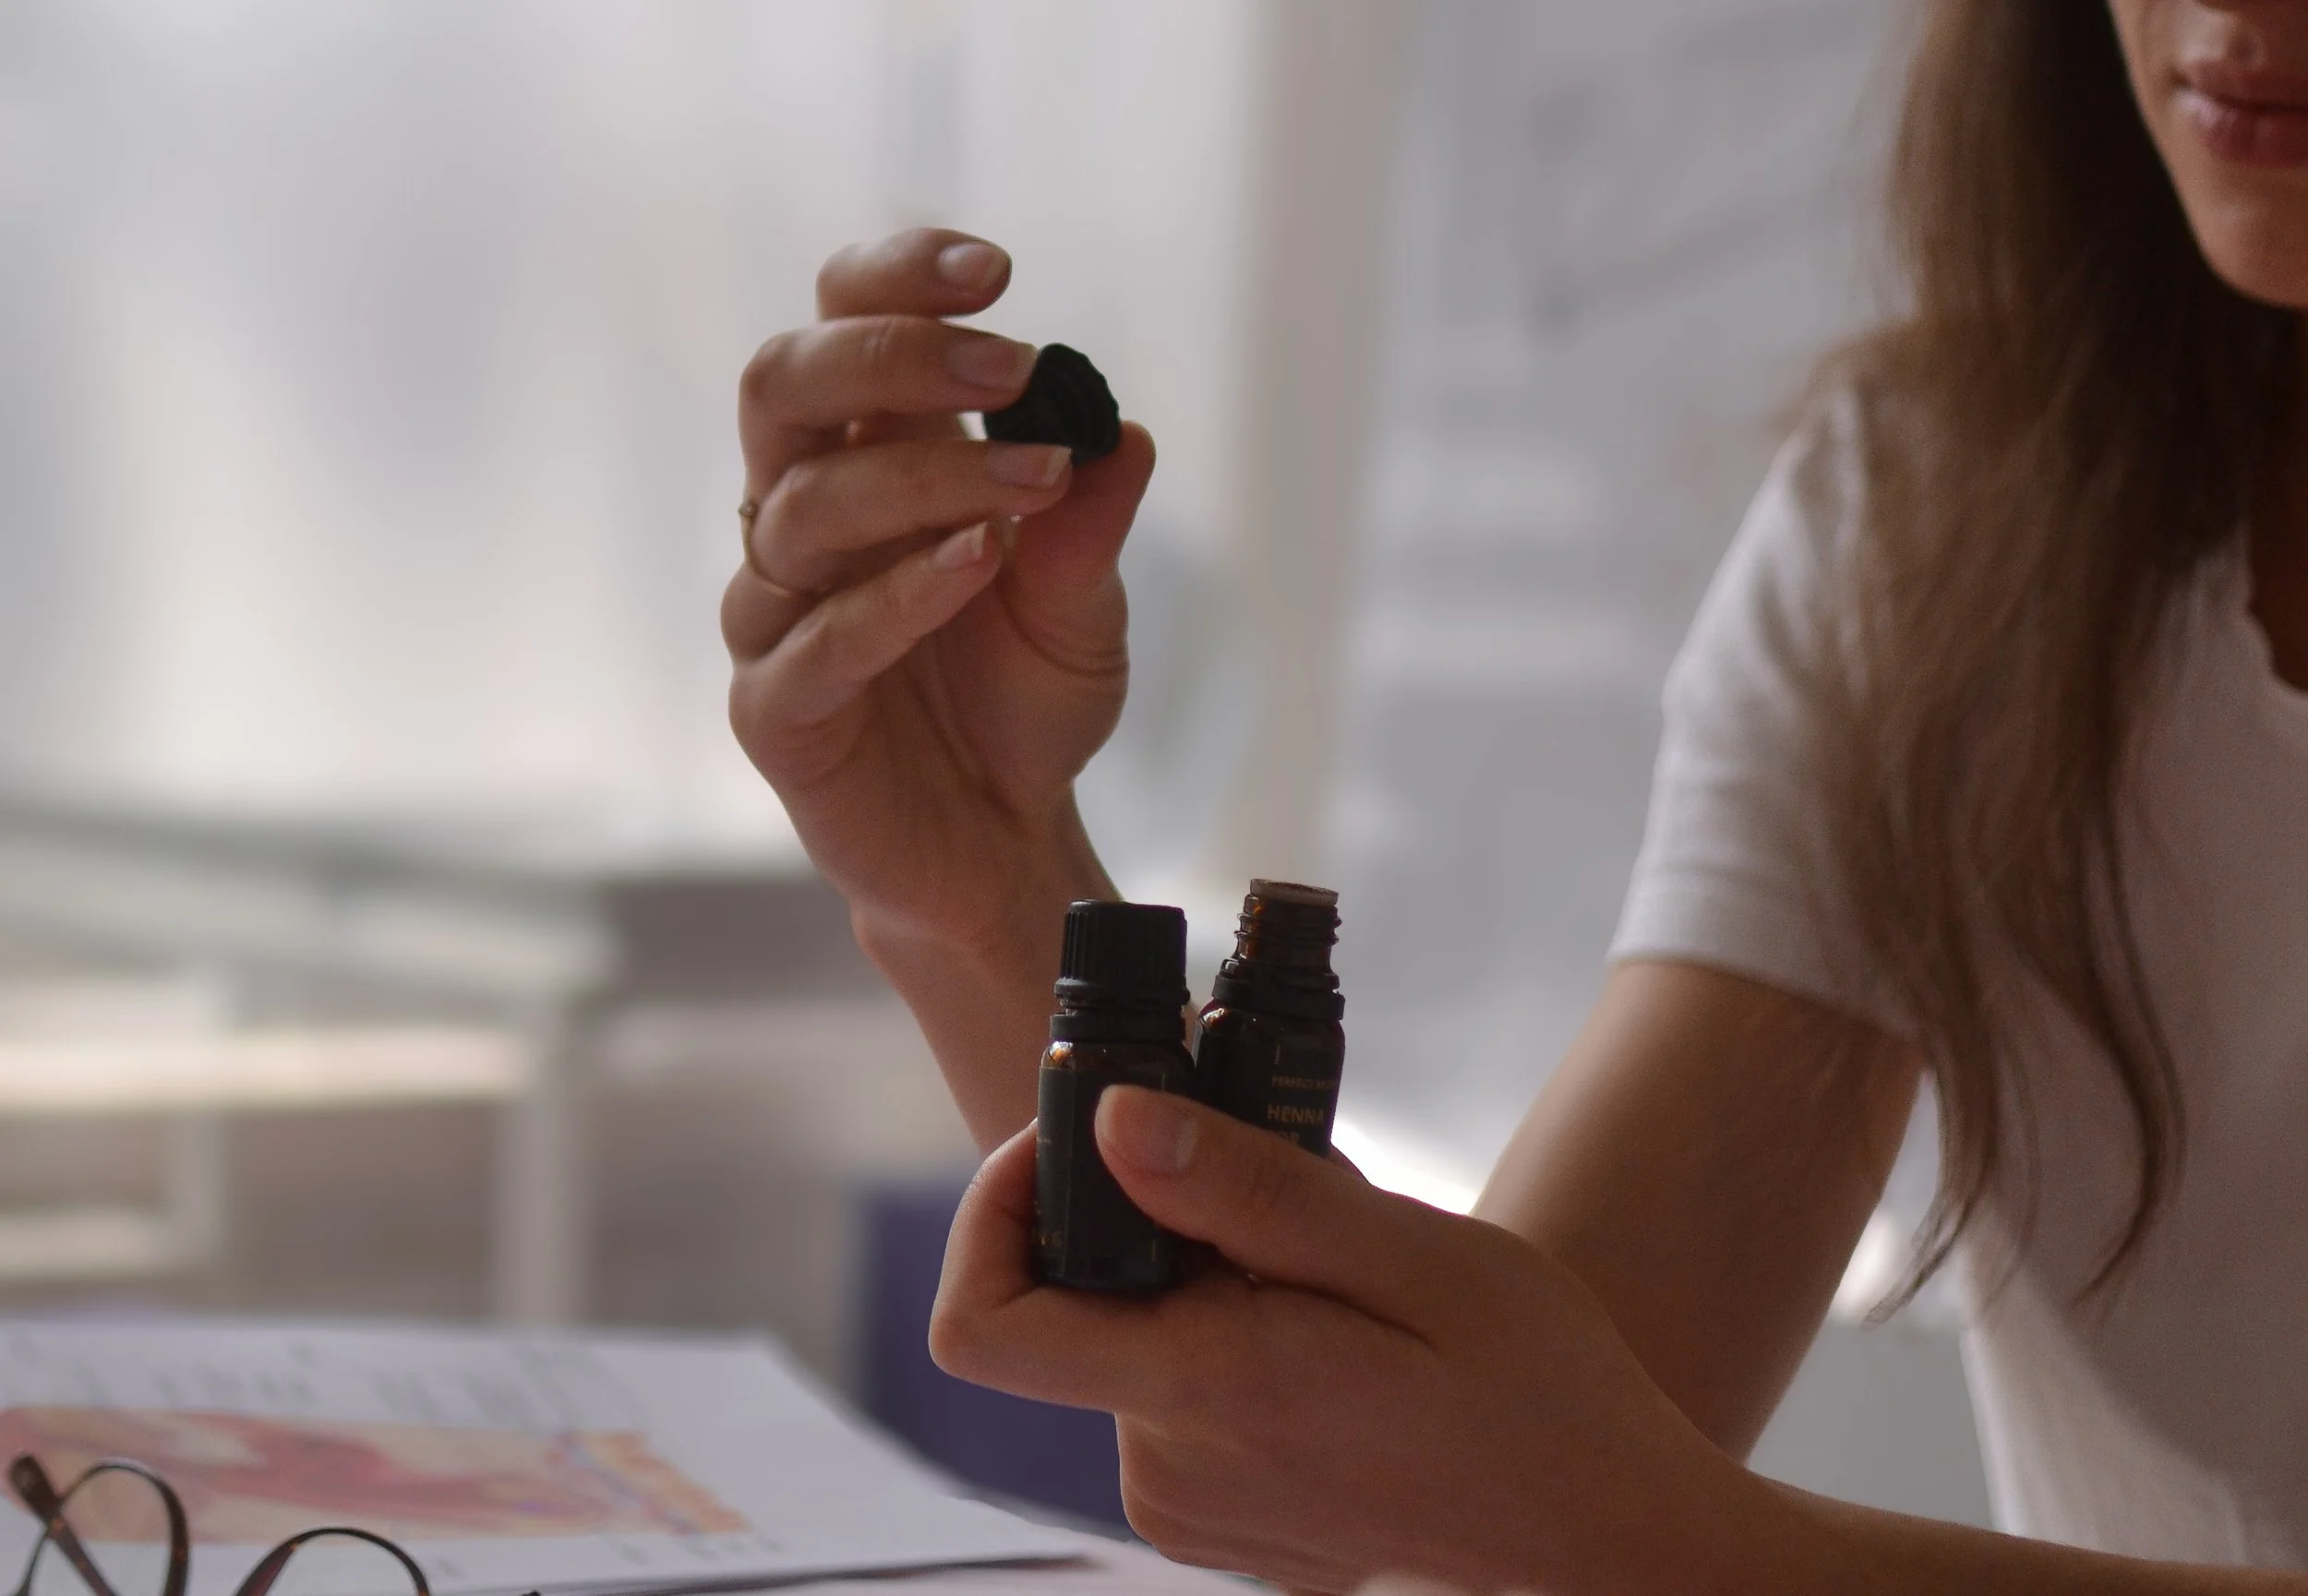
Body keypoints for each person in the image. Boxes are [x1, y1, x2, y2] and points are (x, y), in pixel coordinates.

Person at [724, 2, 2308, 1590]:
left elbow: (1551, 1516)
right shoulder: (1949, 520)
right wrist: (986, 884)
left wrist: (1681, 1545)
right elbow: (1425, 1500)